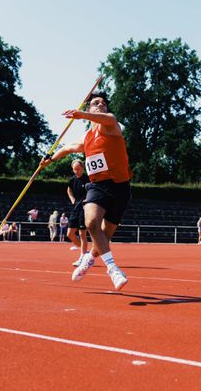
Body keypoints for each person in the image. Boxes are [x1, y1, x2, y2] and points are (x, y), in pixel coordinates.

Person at [40, 91, 131, 290]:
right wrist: (49, 159)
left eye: (103, 103)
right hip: (98, 186)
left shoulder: (111, 125)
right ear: (89, 107)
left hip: (121, 187)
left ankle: (89, 259)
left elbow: (108, 118)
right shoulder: (86, 138)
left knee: (105, 236)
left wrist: (82, 114)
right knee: (91, 222)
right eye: (96, 103)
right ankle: (113, 269)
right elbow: (67, 148)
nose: (101, 105)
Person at [66, 159, 90, 265]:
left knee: (82, 233)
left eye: (78, 169)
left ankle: (82, 257)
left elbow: (95, 190)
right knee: (70, 234)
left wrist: (89, 199)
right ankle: (85, 252)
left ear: (83, 168)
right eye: (74, 169)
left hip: (85, 208)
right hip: (76, 207)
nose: (76, 171)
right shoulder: (72, 180)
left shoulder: (88, 179)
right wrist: (72, 200)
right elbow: (69, 190)